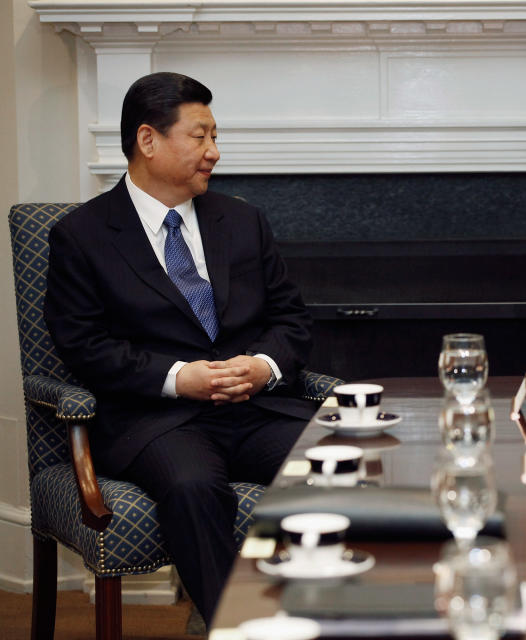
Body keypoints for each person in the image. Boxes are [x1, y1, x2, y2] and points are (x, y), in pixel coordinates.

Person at [44, 72, 319, 624]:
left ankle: (327, 616)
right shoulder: (82, 234)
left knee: (340, 465)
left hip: (255, 408)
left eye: (215, 136)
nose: (214, 152)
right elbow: (83, 346)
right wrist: (178, 377)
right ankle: (233, 628)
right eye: (201, 136)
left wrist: (262, 367)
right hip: (159, 420)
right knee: (193, 487)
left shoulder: (243, 221)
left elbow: (290, 318)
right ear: (149, 140)